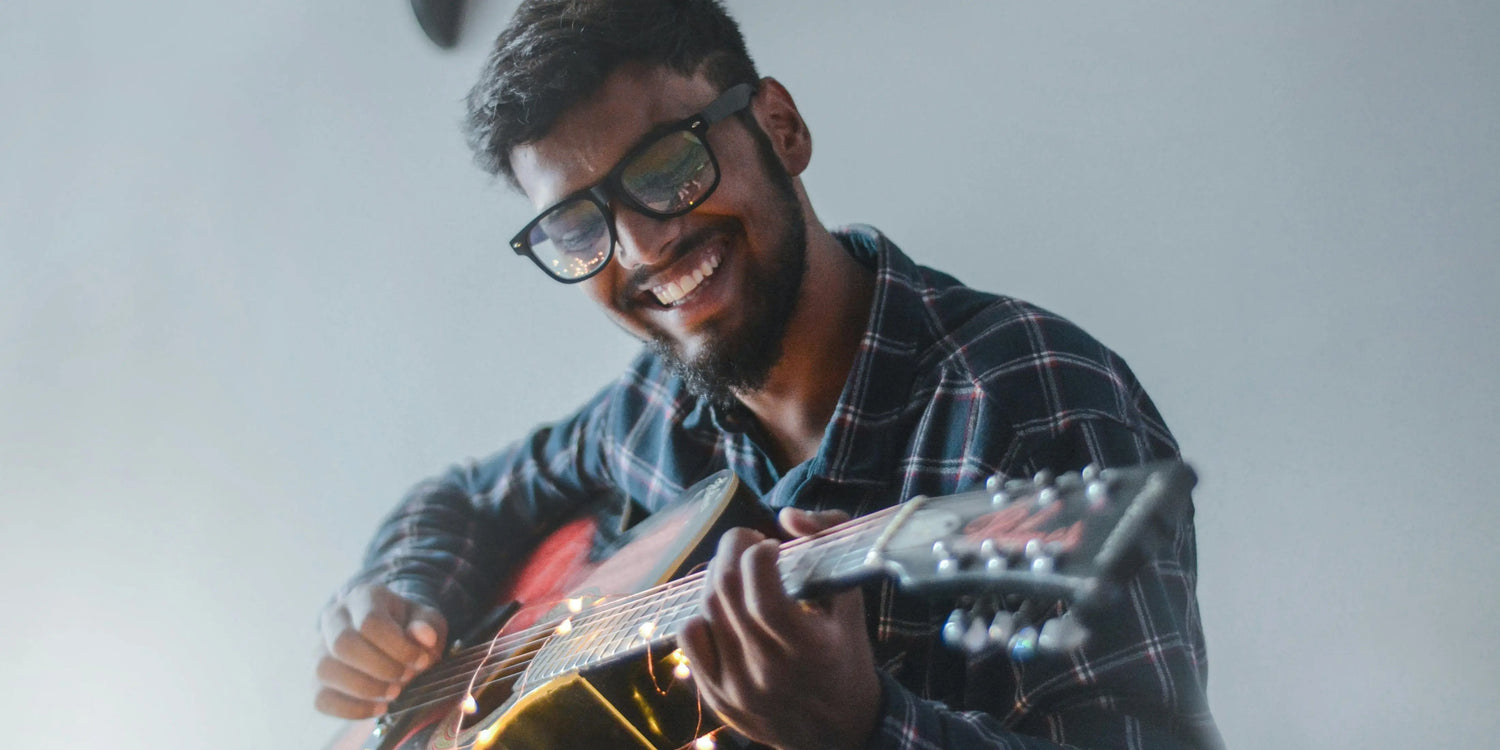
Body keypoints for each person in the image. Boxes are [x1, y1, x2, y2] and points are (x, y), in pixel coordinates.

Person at [314, 1, 1222, 748]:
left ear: (781, 128)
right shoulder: (656, 410)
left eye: (668, 165)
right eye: (579, 228)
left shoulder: (1034, 402)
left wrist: (862, 730)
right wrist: (400, 596)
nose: (640, 248)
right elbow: (465, 497)